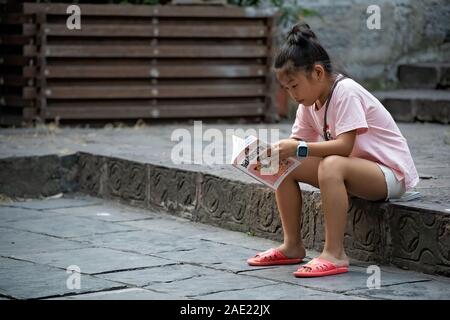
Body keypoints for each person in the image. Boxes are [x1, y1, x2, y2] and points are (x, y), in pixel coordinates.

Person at [246, 23, 419, 277]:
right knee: (282, 162)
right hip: (354, 169)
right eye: (286, 89)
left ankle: (335, 253)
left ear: (317, 72)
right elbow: (296, 147)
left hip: (389, 175)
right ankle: (292, 245)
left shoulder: (345, 92)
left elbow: (344, 146)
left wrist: (299, 148)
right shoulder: (308, 103)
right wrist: (271, 153)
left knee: (331, 163)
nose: (292, 94)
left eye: (294, 86)